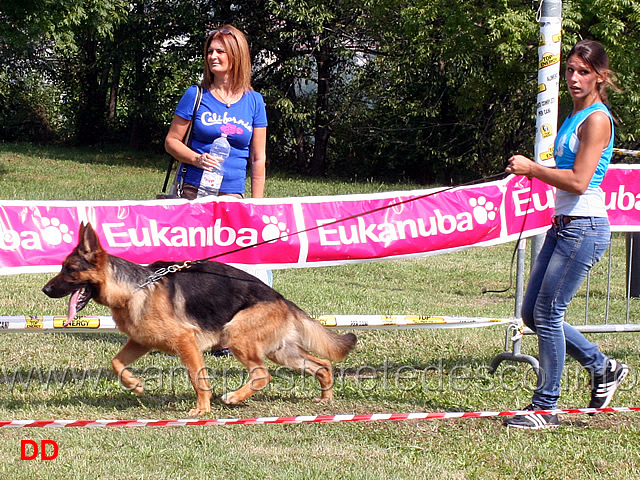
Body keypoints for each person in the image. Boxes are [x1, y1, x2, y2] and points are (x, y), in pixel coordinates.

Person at [503, 40, 629, 429]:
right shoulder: (574, 115)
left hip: (584, 228)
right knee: (532, 313)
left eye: (583, 72)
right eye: (570, 70)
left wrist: (532, 168)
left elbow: (578, 181)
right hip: (564, 226)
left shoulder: (596, 119)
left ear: (600, 77)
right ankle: (601, 366)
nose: (574, 79)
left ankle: (546, 408)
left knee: (547, 313)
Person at [165, 24, 267, 200]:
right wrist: (196, 159)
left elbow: (258, 158)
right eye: (210, 51)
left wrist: (256, 205)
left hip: (232, 196)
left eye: (220, 52)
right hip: (193, 191)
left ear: (236, 55)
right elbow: (171, 141)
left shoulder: (255, 101)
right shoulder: (195, 95)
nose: (213, 56)